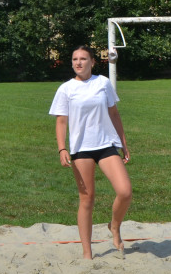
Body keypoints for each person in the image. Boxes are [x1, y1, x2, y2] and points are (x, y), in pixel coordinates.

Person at [49, 46, 133, 259]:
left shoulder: (103, 83)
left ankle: (114, 226)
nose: (78, 62)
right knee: (87, 199)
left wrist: (123, 143)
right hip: (81, 150)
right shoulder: (66, 89)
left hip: (105, 145)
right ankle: (87, 253)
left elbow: (114, 114)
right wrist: (62, 148)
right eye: (75, 59)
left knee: (125, 192)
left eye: (83, 59)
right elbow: (61, 122)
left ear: (92, 62)